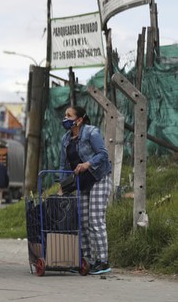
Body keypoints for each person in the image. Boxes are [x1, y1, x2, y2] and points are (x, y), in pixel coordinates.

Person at [59, 105, 112, 275]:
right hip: (82, 182)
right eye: (65, 115)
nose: (65, 118)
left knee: (95, 220)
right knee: (83, 221)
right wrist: (63, 185)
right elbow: (63, 165)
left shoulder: (91, 132)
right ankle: (87, 260)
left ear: (79, 120)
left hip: (99, 177)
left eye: (69, 115)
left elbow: (103, 154)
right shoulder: (65, 139)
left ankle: (102, 261)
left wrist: (88, 164)